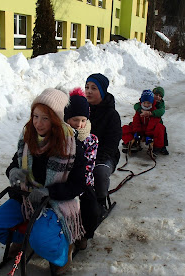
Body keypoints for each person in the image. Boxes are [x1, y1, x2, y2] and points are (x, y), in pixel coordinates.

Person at [0, 88, 87, 275]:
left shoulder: (71, 145)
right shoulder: (27, 137)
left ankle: (63, 250)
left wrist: (50, 192)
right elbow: (15, 162)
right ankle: (23, 238)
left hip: (55, 203)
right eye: (35, 116)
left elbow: (78, 185)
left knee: (41, 242)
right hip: (25, 199)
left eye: (45, 118)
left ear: (56, 120)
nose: (38, 123)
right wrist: (13, 171)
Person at [64, 87, 99, 250]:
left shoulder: (91, 140)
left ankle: (85, 233)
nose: (79, 124)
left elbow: (88, 165)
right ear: (67, 119)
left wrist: (80, 185)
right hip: (64, 180)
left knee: (90, 206)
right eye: (75, 120)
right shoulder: (62, 136)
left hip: (84, 182)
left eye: (83, 120)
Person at [85, 73, 122, 209]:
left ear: (101, 91)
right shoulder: (81, 109)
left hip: (105, 156)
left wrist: (95, 160)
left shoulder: (111, 115)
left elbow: (112, 142)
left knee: (99, 172)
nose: (88, 91)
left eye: (94, 88)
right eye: (87, 87)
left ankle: (100, 202)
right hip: (83, 153)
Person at [123, 90, 167, 157]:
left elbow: (153, 123)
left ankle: (157, 148)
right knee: (125, 128)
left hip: (151, 131)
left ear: (152, 103)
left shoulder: (154, 111)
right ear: (141, 102)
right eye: (144, 103)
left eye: (148, 103)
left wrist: (148, 135)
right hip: (141, 130)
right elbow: (136, 121)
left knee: (160, 128)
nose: (146, 105)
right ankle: (131, 143)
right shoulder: (139, 110)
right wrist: (137, 132)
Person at [133, 86, 169, 155]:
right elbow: (136, 105)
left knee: (161, 131)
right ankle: (132, 142)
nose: (158, 97)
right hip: (145, 122)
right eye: (156, 95)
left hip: (156, 123)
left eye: (160, 96)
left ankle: (162, 146)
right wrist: (141, 110)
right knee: (133, 125)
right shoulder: (147, 100)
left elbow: (161, 111)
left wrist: (151, 113)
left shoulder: (160, 104)